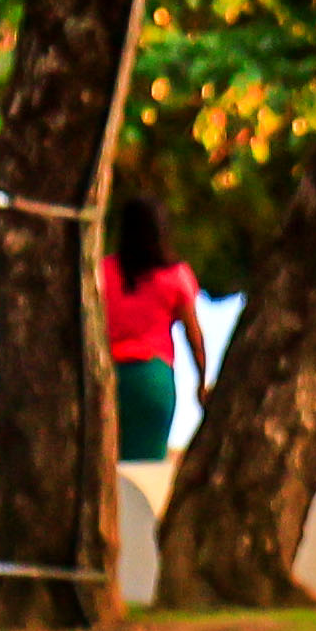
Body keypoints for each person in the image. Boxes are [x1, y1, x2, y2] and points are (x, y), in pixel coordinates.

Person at [100, 189, 208, 467]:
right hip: (153, 380)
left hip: (109, 379)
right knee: (147, 468)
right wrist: (201, 381)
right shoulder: (176, 275)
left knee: (108, 467)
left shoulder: (102, 272)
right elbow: (194, 337)